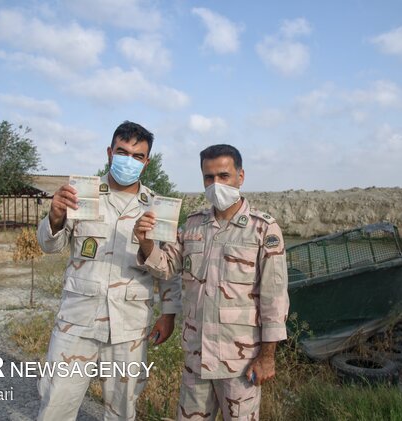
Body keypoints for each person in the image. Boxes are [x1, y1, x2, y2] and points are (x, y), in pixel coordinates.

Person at [36, 121, 181, 421]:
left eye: (137, 156)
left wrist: (169, 314)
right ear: (109, 152)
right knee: (55, 405)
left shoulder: (157, 207)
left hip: (129, 327)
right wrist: (54, 218)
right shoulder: (82, 195)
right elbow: (50, 246)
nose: (129, 160)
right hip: (77, 322)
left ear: (146, 161)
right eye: (122, 152)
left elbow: (169, 270)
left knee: (122, 410)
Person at [134, 144, 289, 420]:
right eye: (209, 177)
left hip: (239, 364)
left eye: (224, 176)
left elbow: (274, 300)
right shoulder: (193, 224)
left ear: (240, 177)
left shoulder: (263, 228)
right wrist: (146, 243)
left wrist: (267, 357)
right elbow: (166, 267)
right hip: (197, 358)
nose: (216, 184)